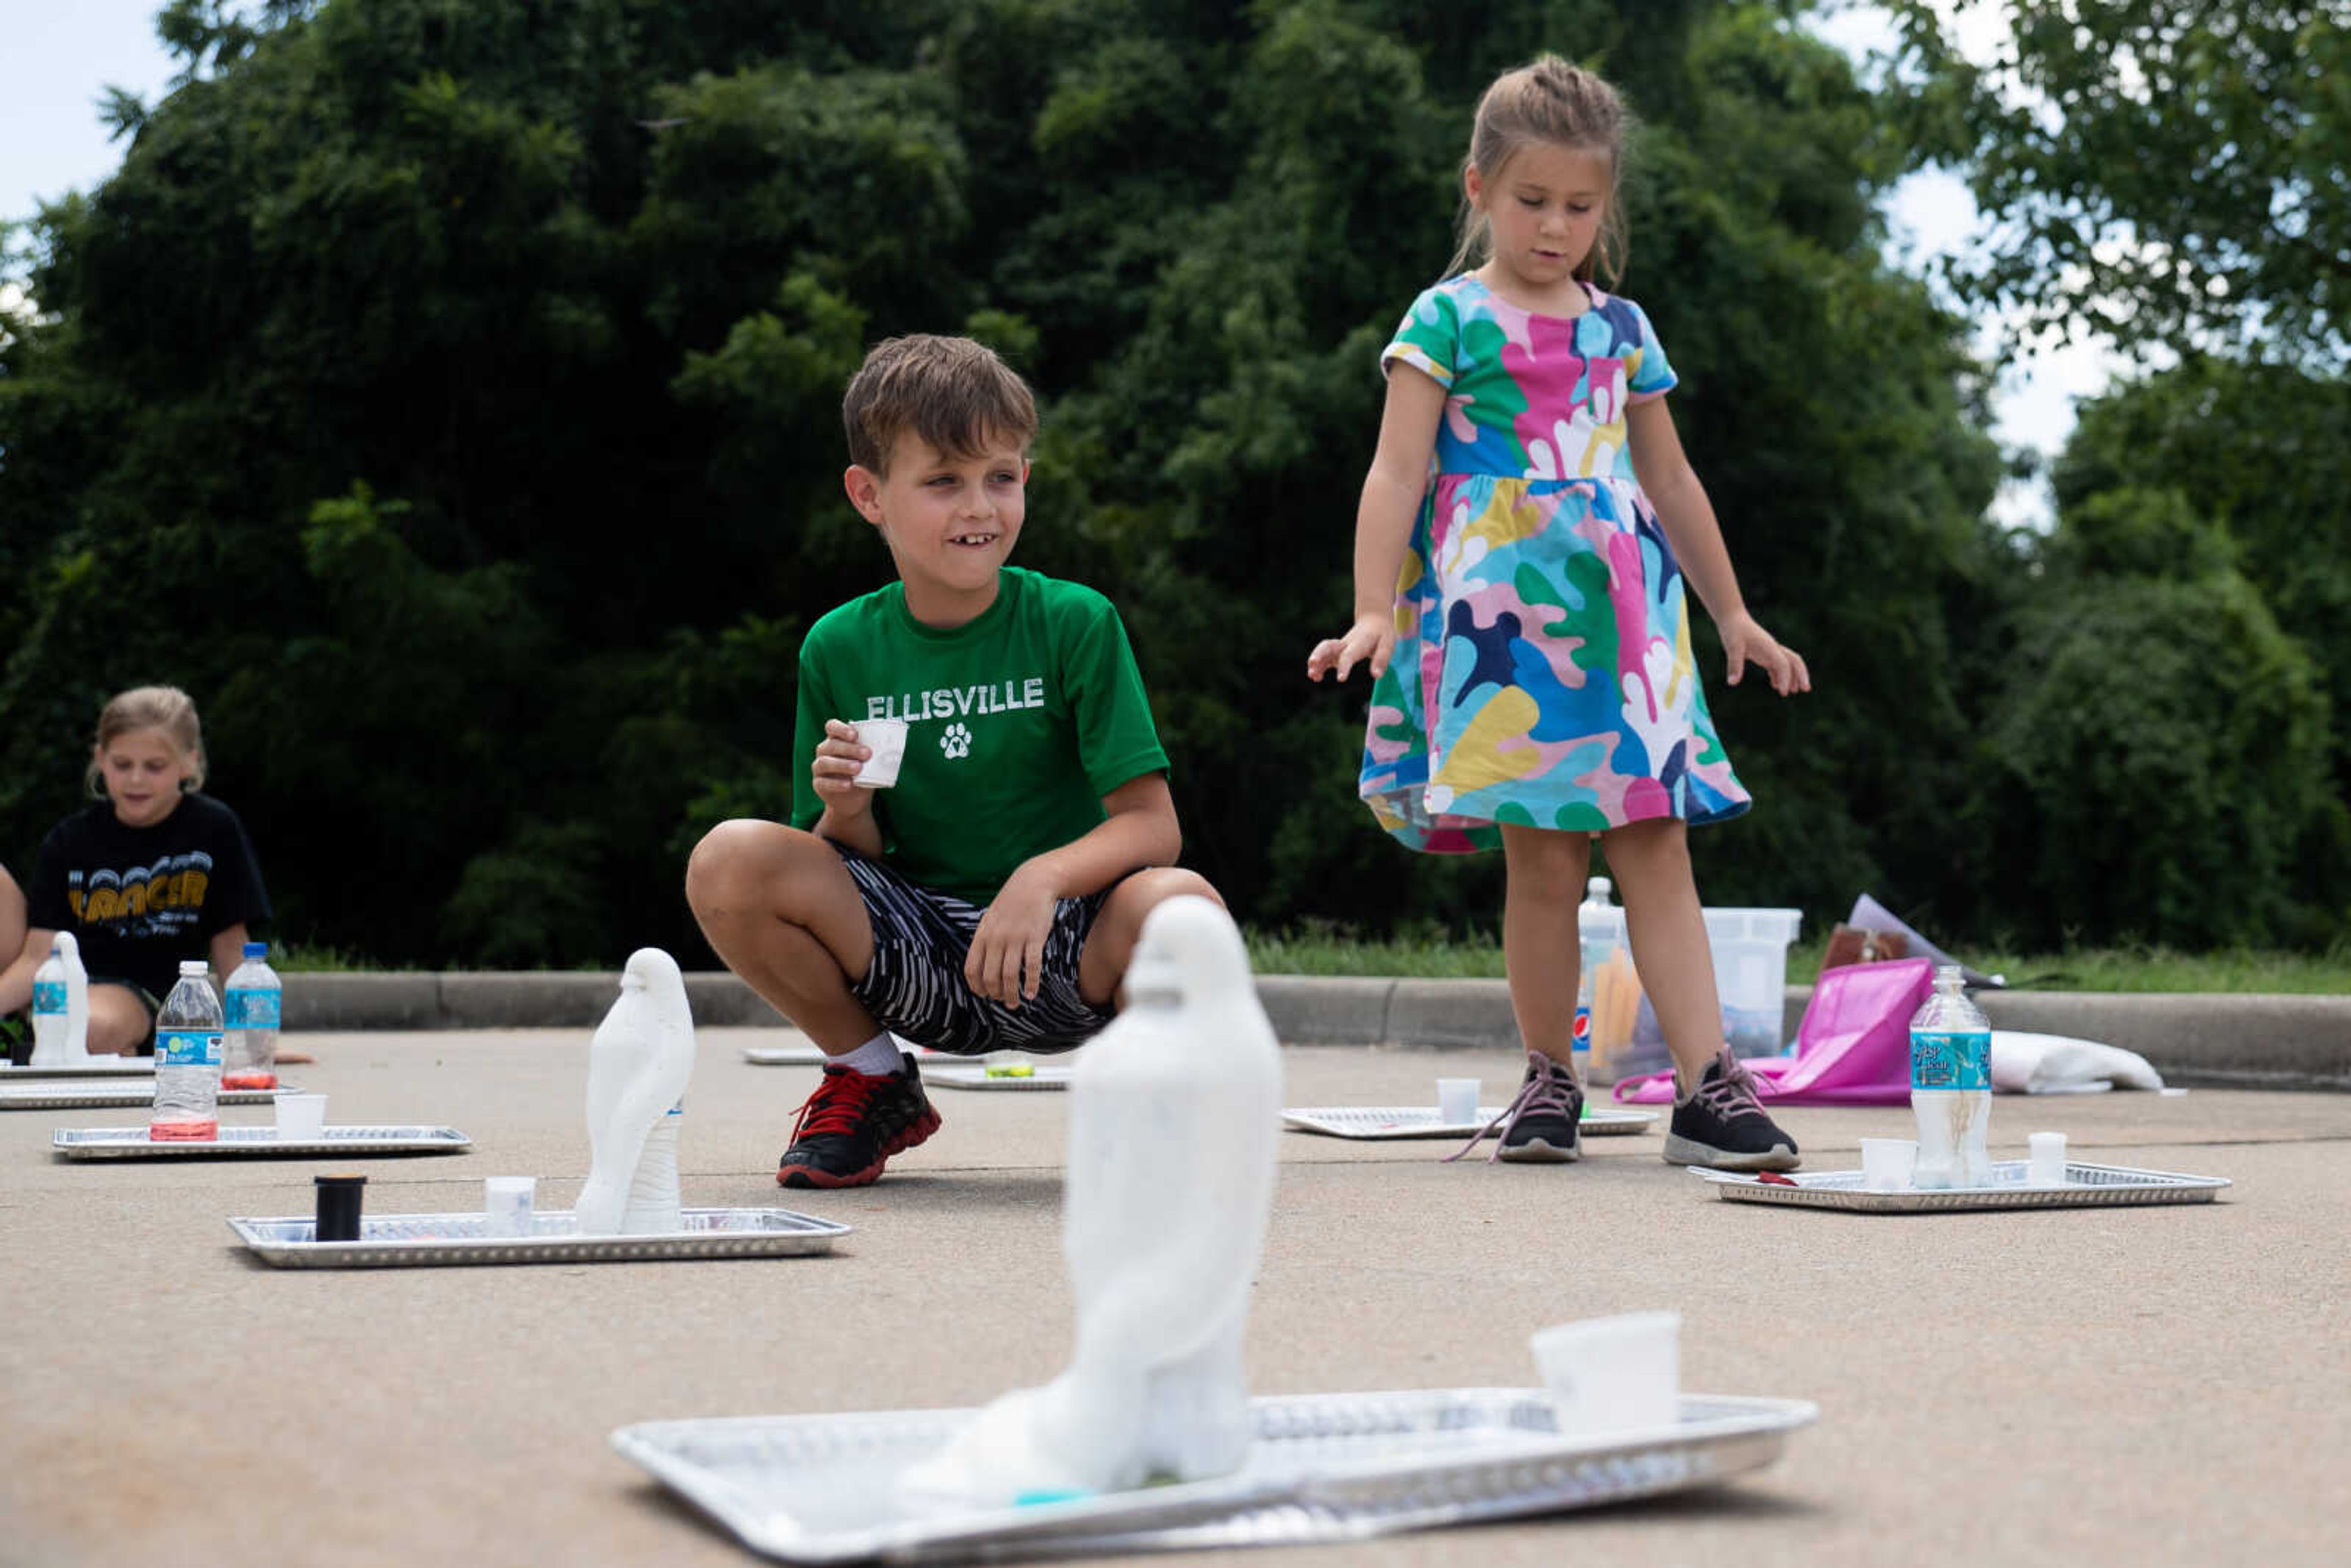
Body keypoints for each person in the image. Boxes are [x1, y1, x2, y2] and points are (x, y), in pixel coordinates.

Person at [1307, 56, 1812, 1172]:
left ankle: (1708, 1088)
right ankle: (1549, 1080)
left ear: (1606, 207)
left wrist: (1734, 615)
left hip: (1626, 621)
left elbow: (1672, 484)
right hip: (1505, 620)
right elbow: (1394, 476)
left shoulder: (1621, 328)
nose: (1556, 226)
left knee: (1656, 843)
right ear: (1478, 186)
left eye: (1580, 207)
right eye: (1533, 200)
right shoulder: (1447, 319)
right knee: (1540, 860)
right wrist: (1372, 610)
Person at [686, 334, 1217, 1189]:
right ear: (870, 495)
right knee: (730, 858)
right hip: (917, 949)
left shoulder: (1075, 622)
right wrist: (848, 810)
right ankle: (870, 1079)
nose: (979, 507)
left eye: (1000, 478)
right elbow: (839, 865)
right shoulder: (840, 646)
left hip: (1067, 944)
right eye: (943, 481)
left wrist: (1041, 878)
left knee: (1183, 908)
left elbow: (1154, 827)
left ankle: (1148, 1103)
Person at [0, 686, 271, 1056]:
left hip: (135, 993)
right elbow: (37, 957)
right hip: (53, 981)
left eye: (154, 767)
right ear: (100, 759)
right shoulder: (70, 839)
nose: (136, 780)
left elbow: (231, 945)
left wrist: (251, 1044)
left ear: (189, 762)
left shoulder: (213, 829)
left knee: (90, 1028)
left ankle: (56, 1040)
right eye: (122, 765)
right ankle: (25, 1030)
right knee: (66, 1014)